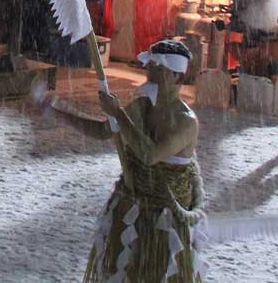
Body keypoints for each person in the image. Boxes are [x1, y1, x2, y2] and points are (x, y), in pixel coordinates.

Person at [73, 39, 207, 283]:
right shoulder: (143, 105)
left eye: (158, 68)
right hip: (133, 208)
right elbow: (105, 131)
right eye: (150, 67)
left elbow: (150, 155)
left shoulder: (187, 122)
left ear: (177, 76)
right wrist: (55, 110)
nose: (150, 73)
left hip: (164, 219)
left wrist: (118, 113)